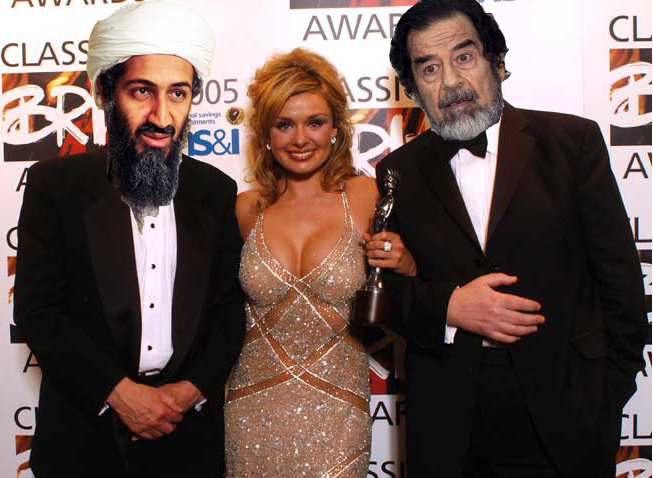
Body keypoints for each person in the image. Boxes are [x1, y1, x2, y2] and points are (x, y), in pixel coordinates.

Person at [365, 1, 648, 477]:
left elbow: (621, 286)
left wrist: (603, 398)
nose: (450, 82)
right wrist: (450, 306)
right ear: (412, 89)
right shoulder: (399, 171)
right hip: (449, 428)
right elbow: (390, 295)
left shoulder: (572, 143)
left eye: (464, 57)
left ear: (496, 61)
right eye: (429, 68)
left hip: (567, 420)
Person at [13, 2, 245, 477]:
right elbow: (38, 311)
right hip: (83, 440)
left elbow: (228, 310)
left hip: (188, 439)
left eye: (178, 93)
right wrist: (119, 395)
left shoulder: (216, 191)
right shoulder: (55, 186)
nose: (162, 116)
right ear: (105, 91)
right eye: (142, 91)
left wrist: (189, 392)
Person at [224, 47, 414, 477]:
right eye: (284, 124)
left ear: (335, 129)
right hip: (251, 410)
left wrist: (406, 264)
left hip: (338, 412)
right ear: (265, 133)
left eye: (315, 122)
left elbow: (414, 291)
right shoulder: (246, 209)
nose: (300, 139)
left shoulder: (367, 197)